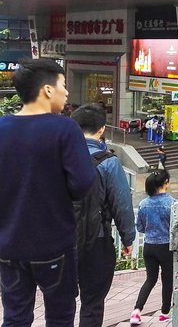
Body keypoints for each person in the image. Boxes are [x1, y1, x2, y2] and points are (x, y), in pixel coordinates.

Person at [0, 58, 96, 327]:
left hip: (8, 246)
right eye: (63, 85)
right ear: (47, 89)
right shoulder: (65, 128)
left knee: (15, 317)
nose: (66, 92)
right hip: (54, 245)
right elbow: (82, 184)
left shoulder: (2, 128)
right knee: (59, 317)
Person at [71, 103, 136, 327]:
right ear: (102, 129)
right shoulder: (109, 162)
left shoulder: (58, 157)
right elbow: (122, 205)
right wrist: (128, 239)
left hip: (61, 242)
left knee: (61, 303)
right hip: (96, 242)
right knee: (92, 303)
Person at [130, 170, 177, 324]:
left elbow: (140, 227)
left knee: (150, 280)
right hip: (166, 246)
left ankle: (136, 311)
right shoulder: (172, 203)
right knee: (167, 280)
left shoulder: (144, 204)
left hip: (149, 246)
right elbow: (177, 227)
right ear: (165, 183)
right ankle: (164, 313)